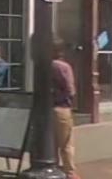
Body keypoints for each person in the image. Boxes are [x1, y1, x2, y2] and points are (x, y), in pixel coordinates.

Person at [48, 39, 77, 179]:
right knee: (66, 143)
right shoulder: (64, 67)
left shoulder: (43, 66)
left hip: (47, 109)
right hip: (62, 108)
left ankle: (52, 167)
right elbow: (70, 89)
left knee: (51, 142)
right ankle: (69, 172)